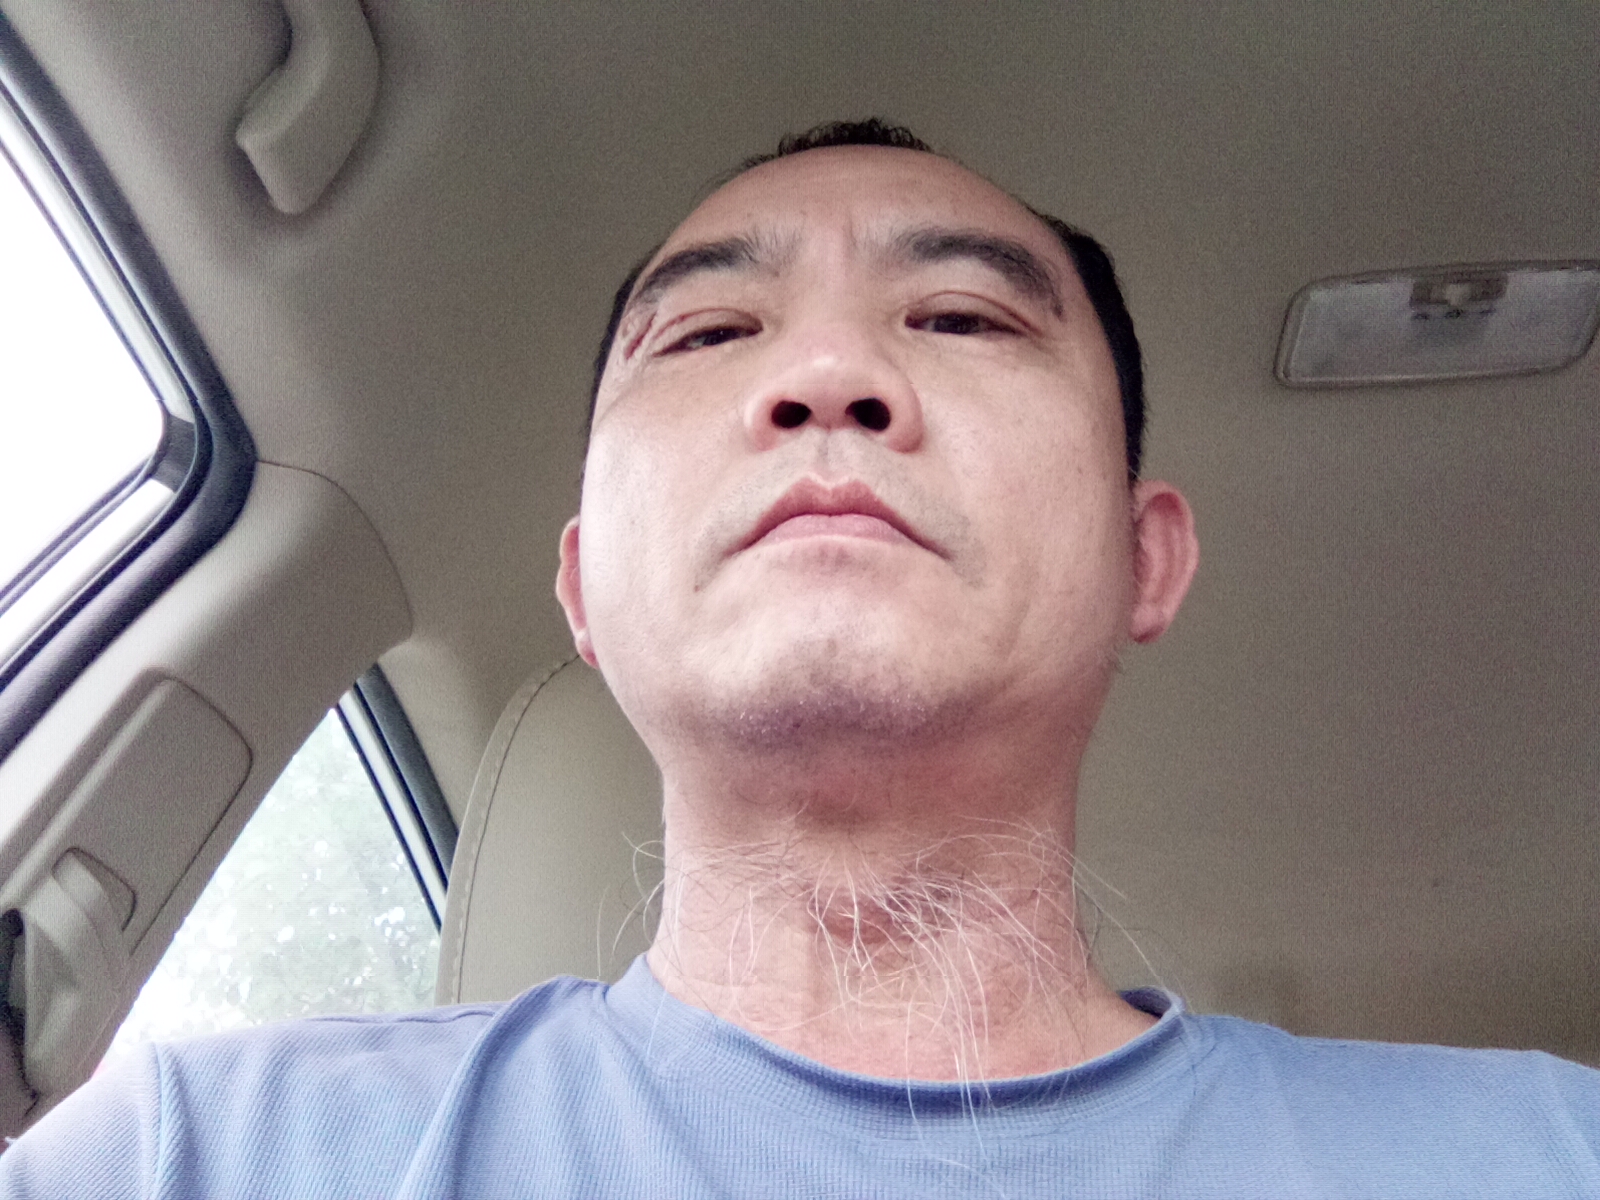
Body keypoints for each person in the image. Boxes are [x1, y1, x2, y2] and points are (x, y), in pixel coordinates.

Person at [2, 119, 1597, 1198]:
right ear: (585, 585)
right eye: (709, 336)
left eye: (963, 319)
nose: (829, 372)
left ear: (1147, 557)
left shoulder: (1548, 1152)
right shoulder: (202, 1156)